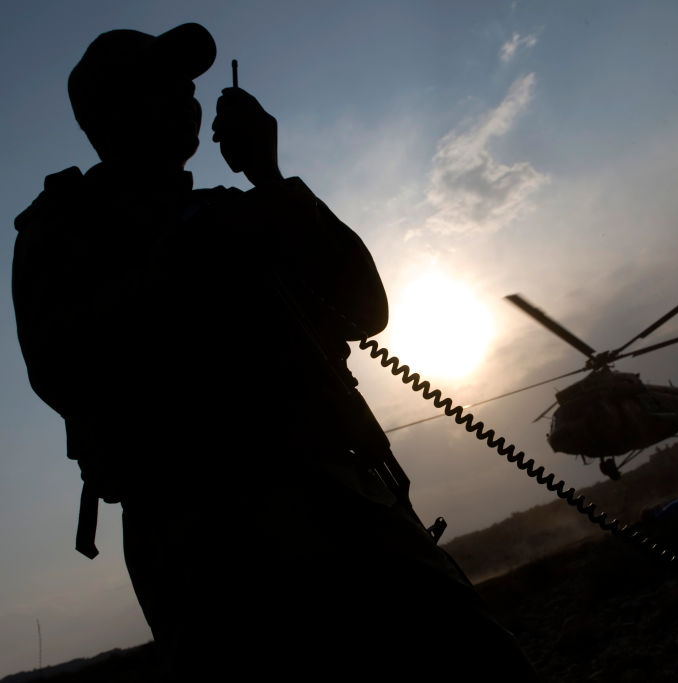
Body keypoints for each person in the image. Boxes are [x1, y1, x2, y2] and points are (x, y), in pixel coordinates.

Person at [12, 23, 538, 681]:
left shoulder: (237, 210)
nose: (188, 98)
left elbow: (363, 307)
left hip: (343, 497)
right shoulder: (65, 229)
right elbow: (64, 367)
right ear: (114, 112)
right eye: (165, 85)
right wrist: (188, 254)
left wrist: (269, 175)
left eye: (188, 85)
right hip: (207, 540)